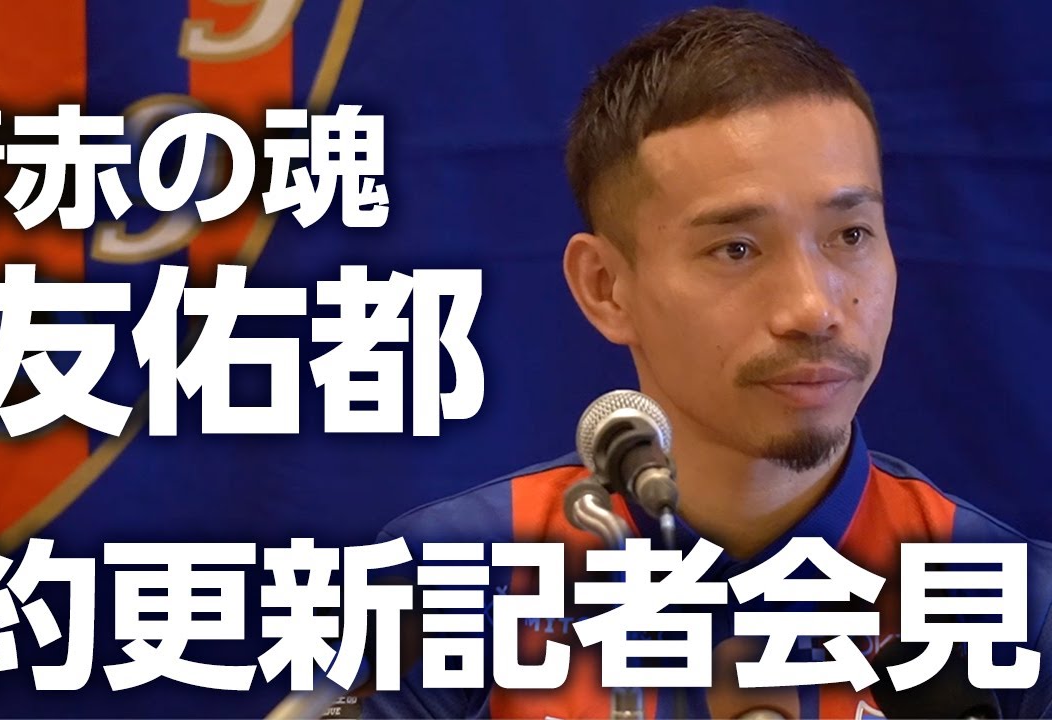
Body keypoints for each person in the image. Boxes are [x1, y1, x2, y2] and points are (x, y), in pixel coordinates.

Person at [358, 6, 1052, 719]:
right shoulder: (455, 578)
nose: (813, 308)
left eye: (850, 235)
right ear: (606, 287)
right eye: (737, 249)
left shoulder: (1016, 606)